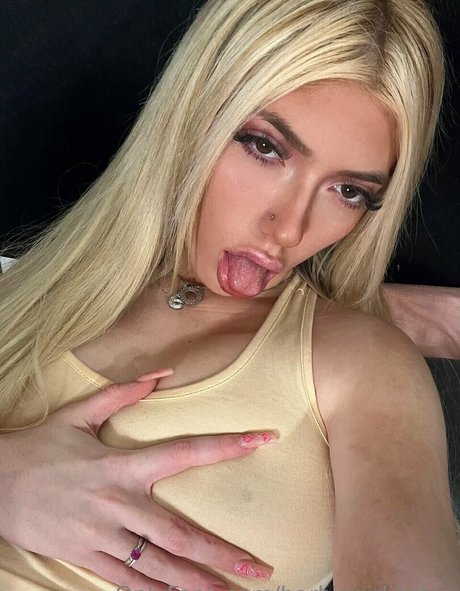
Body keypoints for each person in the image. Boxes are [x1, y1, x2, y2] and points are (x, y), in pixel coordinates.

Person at [0, 0, 459, 590]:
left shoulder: (361, 364)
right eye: (266, 148)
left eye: (348, 191)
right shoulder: (21, 291)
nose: (289, 228)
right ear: (196, 114)